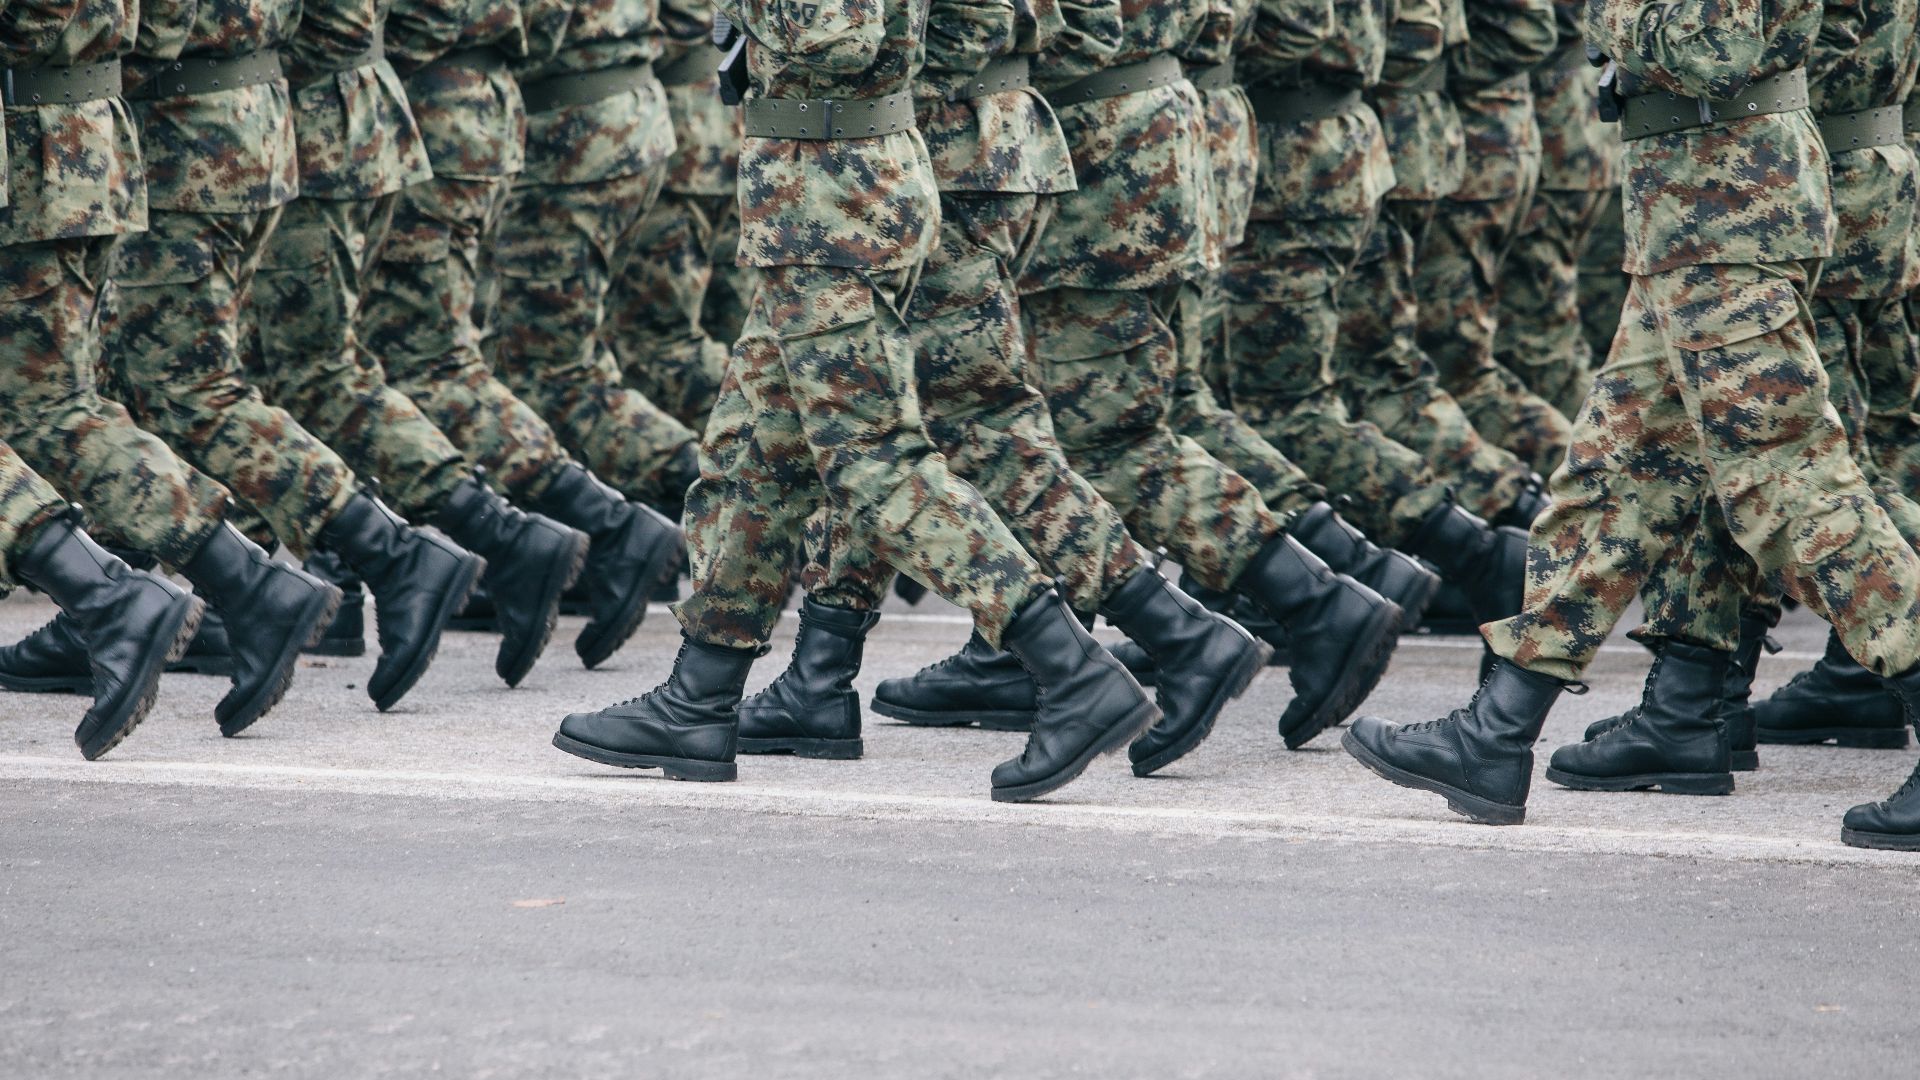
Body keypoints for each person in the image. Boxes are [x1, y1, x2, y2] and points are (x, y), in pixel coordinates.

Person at [1340, 0, 1920, 853]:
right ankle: (1497, 733)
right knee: (1615, 472)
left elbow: (1712, 44)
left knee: (1787, 482)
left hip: (1727, 198)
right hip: (1699, 201)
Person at [550, 0, 1163, 803]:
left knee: (874, 462)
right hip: (834, 179)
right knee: (752, 451)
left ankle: (1071, 668)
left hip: (831, 190)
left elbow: (835, 35)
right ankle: (698, 698)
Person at [0, 0, 344, 736]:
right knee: (56, 407)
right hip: (84, 134)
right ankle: (240, 581)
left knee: (58, 407)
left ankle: (121, 596)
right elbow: (163, 26)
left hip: (34, 140)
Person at [241, 0, 589, 688]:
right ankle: (502, 537)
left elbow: (369, 24)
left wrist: (249, 74)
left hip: (339, 117)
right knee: (317, 363)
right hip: (410, 111)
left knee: (321, 367)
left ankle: (455, 545)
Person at [364, 0, 685, 670]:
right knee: (537, 359)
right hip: (539, 108)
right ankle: (585, 531)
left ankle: (605, 527)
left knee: (451, 365)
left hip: (483, 113)